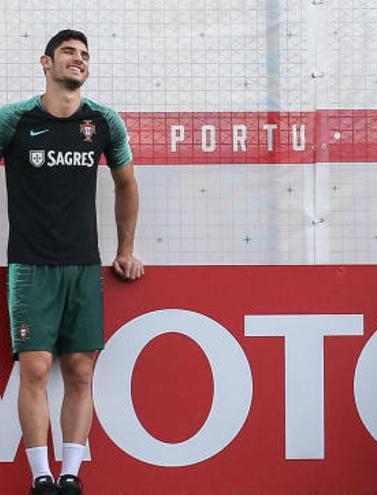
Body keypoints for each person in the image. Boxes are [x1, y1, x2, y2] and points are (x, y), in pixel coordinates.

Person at [0, 30, 144, 495]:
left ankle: (69, 477)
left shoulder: (102, 122)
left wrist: (125, 250)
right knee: (36, 369)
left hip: (83, 265)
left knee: (81, 370)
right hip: (29, 266)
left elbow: (126, 183)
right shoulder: (14, 120)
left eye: (85, 54)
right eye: (68, 52)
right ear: (46, 62)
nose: (78, 60)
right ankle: (41, 476)